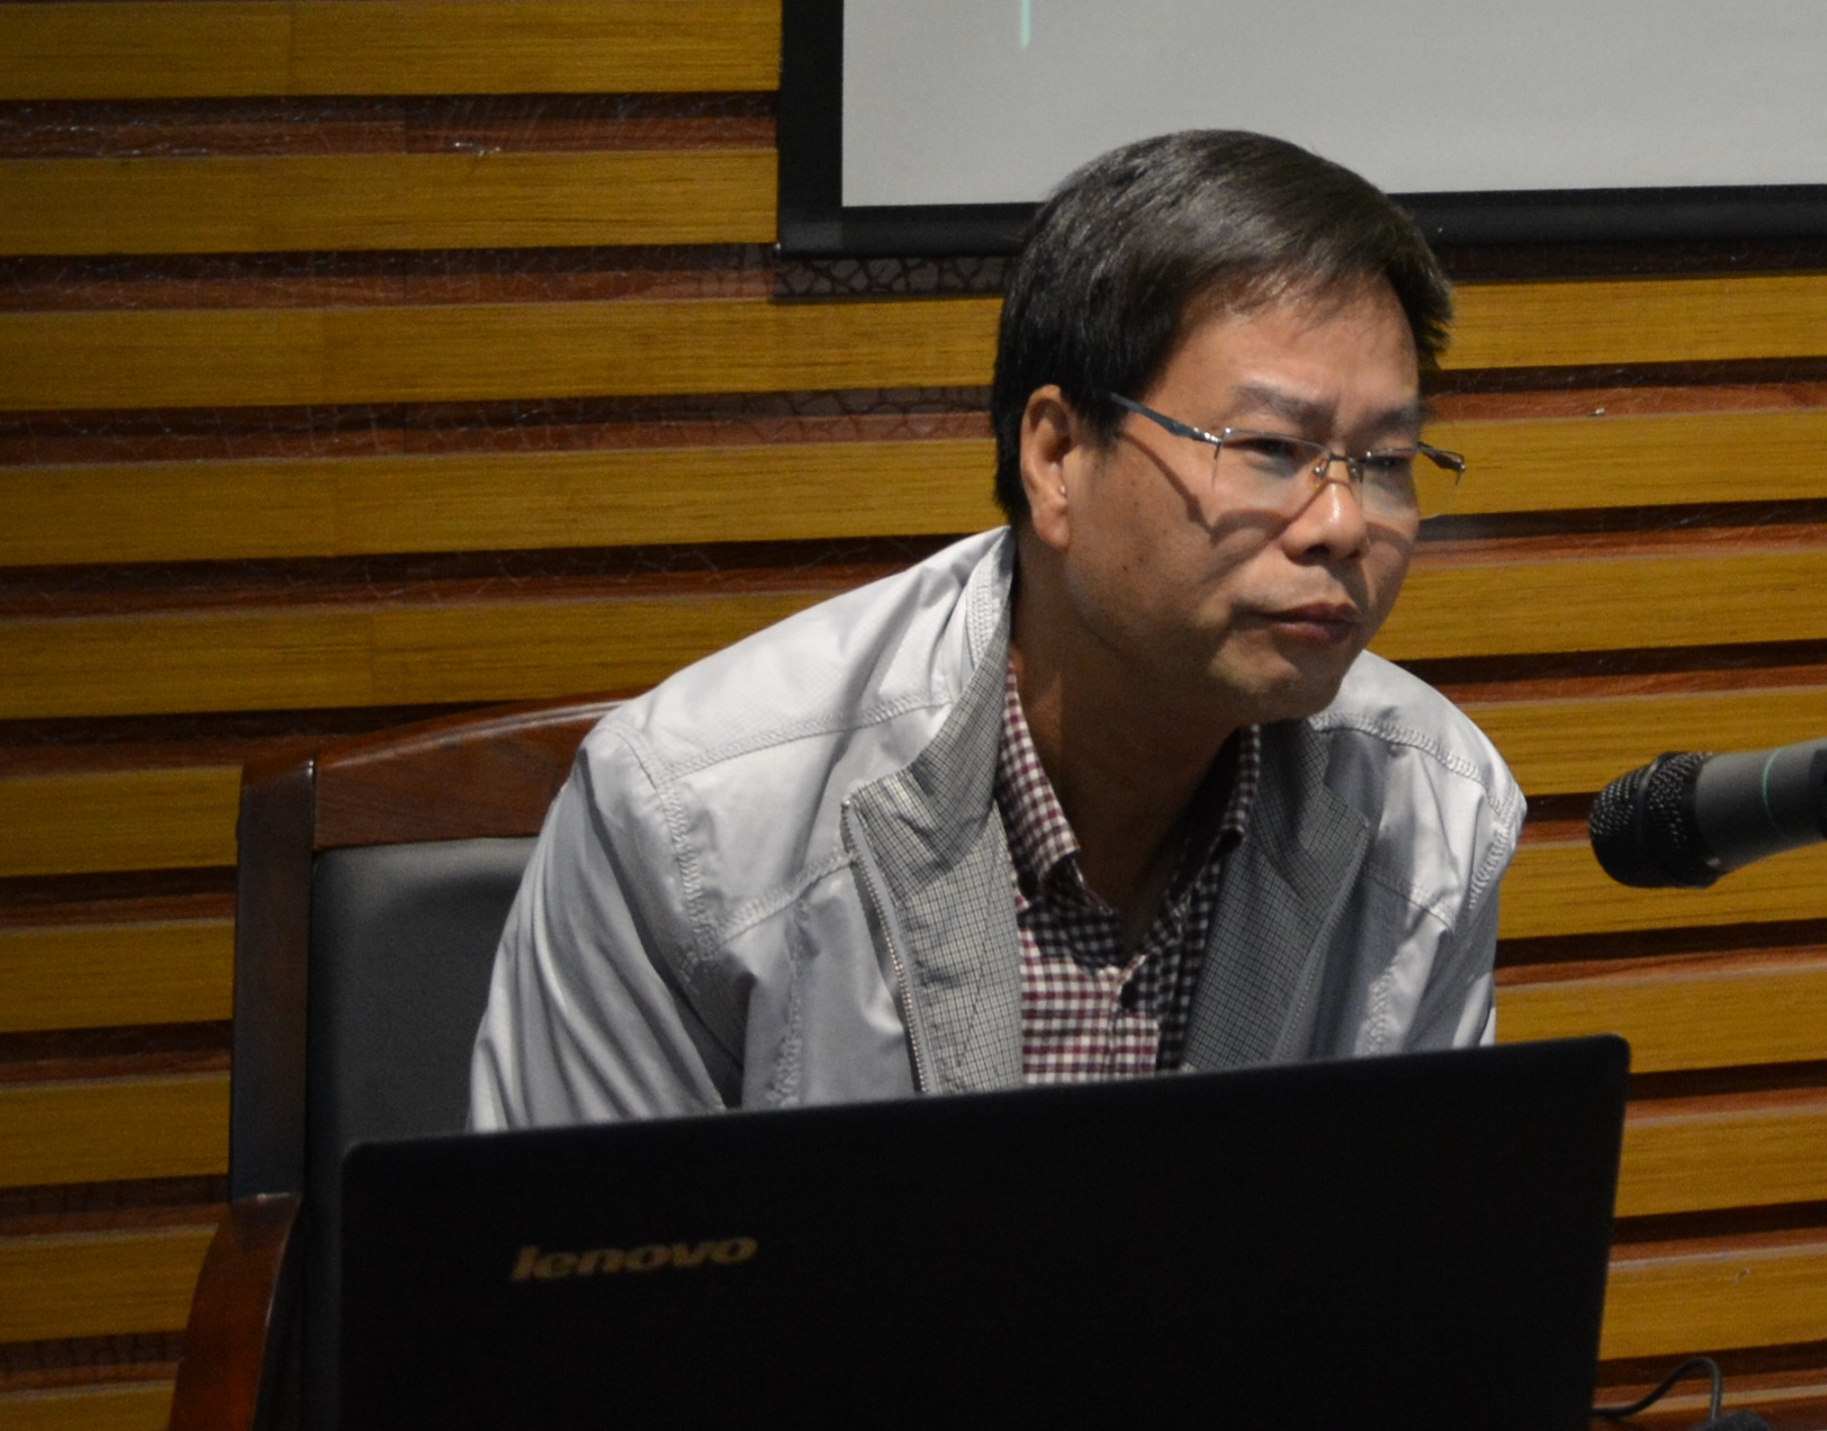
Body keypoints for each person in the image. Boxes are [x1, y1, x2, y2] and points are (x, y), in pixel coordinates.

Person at [467, 129, 1519, 1119]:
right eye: (1271, 450)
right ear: (1057, 457)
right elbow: (587, 1250)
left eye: (1386, 463)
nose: (1342, 524)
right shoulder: (691, 818)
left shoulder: (1432, 813)